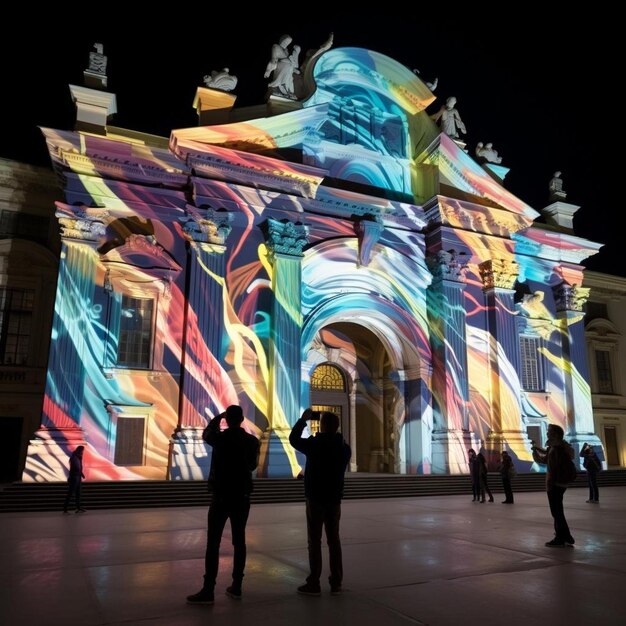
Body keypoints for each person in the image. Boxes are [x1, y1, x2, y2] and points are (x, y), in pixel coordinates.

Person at [187, 405, 260, 605]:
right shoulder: (252, 441)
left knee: (213, 543)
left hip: (221, 496)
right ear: (243, 419)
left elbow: (207, 433)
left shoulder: (220, 439)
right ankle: (237, 586)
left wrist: (219, 417)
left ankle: (208, 589)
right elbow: (253, 466)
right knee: (240, 542)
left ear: (227, 419)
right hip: (242, 496)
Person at [289, 408, 351, 595]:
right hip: (334, 500)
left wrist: (303, 420)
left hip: (315, 498)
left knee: (314, 541)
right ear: (337, 427)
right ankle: (336, 582)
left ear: (322, 426)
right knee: (334, 541)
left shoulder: (315, 444)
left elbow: (293, 440)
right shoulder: (344, 448)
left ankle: (314, 582)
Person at [532, 424, 576, 547]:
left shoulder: (556, 449)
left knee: (556, 512)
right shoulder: (560, 447)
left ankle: (560, 537)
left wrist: (551, 483)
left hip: (555, 484)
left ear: (555, 434)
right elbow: (546, 459)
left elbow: (550, 464)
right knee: (558, 511)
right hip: (561, 483)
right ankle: (566, 535)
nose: (547, 434)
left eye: (549, 432)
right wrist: (536, 450)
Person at [63, 445, 86, 513]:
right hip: (74, 477)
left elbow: (79, 467)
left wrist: (81, 474)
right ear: (79, 450)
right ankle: (65, 508)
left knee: (78, 493)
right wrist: (79, 473)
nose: (82, 452)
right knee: (71, 493)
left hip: (78, 477)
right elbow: (75, 468)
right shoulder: (74, 457)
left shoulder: (78, 457)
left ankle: (78, 508)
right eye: (82, 451)